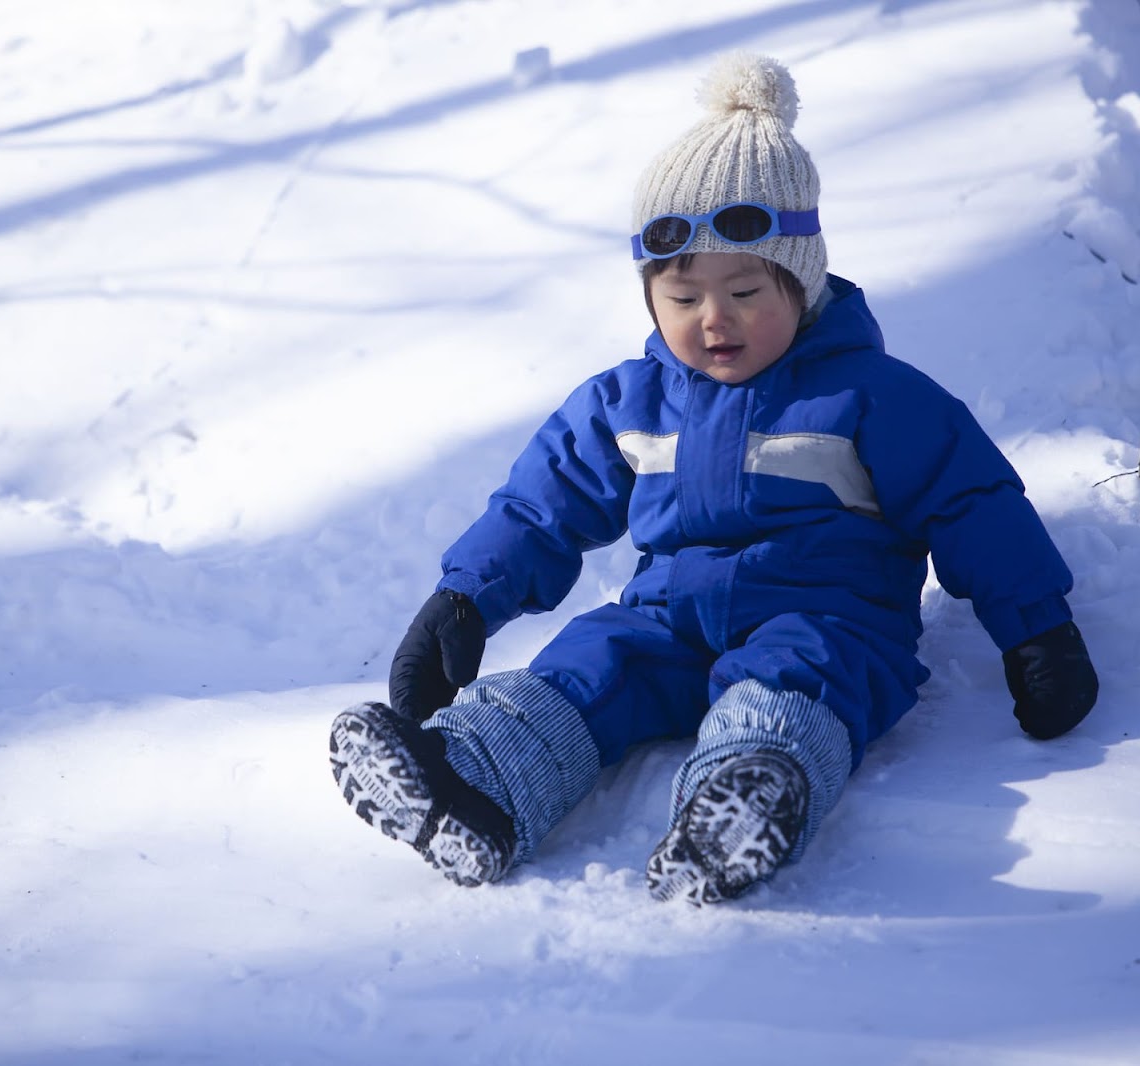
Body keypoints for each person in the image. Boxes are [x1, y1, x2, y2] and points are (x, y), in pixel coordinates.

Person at [328, 52, 1099, 905]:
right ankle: (472, 782)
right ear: (650, 295)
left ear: (801, 287)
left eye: (744, 290)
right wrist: (467, 597)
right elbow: (541, 505)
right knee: (590, 664)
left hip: (828, 615)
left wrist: (1036, 631)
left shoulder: (872, 397)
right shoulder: (630, 400)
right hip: (666, 617)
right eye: (683, 295)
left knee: (796, 678)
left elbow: (971, 502)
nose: (714, 319)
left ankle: (742, 803)